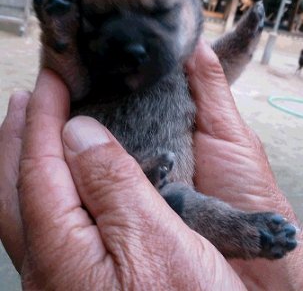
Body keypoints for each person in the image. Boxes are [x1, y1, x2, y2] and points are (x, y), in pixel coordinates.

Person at [0, 39, 302, 290]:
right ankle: (237, 227)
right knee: (181, 207)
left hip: (161, 188)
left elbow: (212, 66)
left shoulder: (176, 49)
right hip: (114, 185)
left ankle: (240, 229)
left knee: (185, 208)